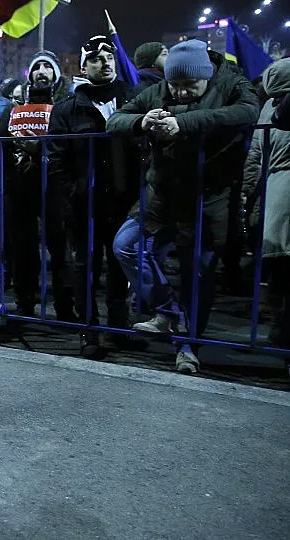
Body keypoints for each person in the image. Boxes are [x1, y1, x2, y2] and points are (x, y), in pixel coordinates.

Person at [108, 39, 259, 374]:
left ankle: (187, 346)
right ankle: (167, 311)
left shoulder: (233, 82)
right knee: (126, 246)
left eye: (189, 86)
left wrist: (182, 121)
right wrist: (142, 121)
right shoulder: (160, 88)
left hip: (211, 197)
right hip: (162, 193)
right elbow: (116, 119)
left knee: (198, 275)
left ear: (206, 77)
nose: (179, 92)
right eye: (174, 86)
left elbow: (248, 111)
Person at [49, 35, 141, 359]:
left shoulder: (133, 99)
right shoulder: (67, 109)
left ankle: (119, 326)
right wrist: (72, 194)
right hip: (84, 205)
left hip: (124, 200)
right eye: (97, 59)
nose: (106, 63)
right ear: (84, 67)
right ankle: (89, 330)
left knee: (119, 267)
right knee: (86, 268)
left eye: (110, 57)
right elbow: (57, 160)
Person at [0, 50, 76, 321]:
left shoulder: (66, 106)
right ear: (29, 75)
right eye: (37, 67)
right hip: (20, 187)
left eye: (47, 67)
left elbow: (70, 143)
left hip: (55, 186)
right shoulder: (12, 109)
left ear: (55, 73)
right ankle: (25, 304)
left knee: (60, 247)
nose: (42, 71)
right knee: (23, 248)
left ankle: (65, 308)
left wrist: (39, 148)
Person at [243, 58, 290, 348]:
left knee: (278, 268)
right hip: (277, 192)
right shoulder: (274, 108)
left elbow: (254, 156)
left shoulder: (269, 106)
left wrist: (249, 194)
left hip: (272, 192)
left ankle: (279, 329)